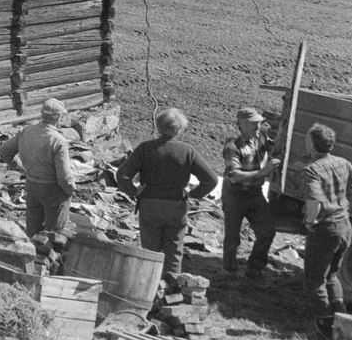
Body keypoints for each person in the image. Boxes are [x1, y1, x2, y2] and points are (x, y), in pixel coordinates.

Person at [117, 108, 218, 279]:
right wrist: (192, 194)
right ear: (178, 129)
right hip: (176, 207)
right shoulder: (187, 151)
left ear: (158, 127)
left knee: (150, 253)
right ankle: (171, 293)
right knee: (174, 252)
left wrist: (134, 191)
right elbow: (212, 179)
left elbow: (122, 174)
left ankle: (148, 291)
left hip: (150, 206)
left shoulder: (145, 148)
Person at [300, 123, 352, 340]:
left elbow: (314, 201)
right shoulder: (343, 163)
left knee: (314, 280)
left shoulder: (311, 170)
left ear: (313, 144)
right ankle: (343, 322)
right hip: (345, 226)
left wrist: (310, 222)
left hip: (326, 229)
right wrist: (350, 199)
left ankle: (325, 328)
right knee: (332, 275)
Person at [0, 98, 74, 237]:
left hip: (32, 186)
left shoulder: (26, 131)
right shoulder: (58, 140)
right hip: (52, 190)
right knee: (53, 235)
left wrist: (20, 168)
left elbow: (4, 151)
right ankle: (49, 255)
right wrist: (70, 189)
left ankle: (29, 255)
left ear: (41, 114)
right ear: (58, 117)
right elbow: (64, 177)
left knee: (32, 231)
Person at [221, 106, 280, 282]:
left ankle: (254, 269)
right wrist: (264, 172)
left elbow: (273, 145)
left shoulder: (260, 136)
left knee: (267, 232)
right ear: (242, 124)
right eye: (254, 124)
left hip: (255, 192)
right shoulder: (232, 145)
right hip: (235, 195)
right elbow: (235, 177)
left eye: (259, 123)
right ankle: (229, 272)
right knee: (232, 237)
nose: (258, 127)